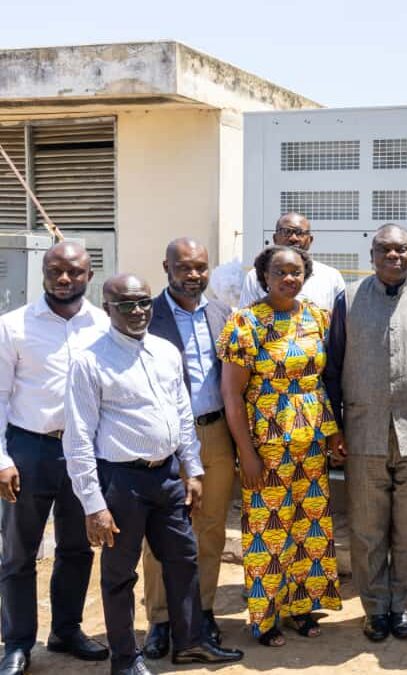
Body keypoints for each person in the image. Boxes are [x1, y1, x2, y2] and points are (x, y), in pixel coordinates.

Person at [63, 274, 244, 675]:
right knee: (119, 575)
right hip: (121, 483)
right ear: (107, 308)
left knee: (184, 559)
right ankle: (126, 660)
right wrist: (93, 504)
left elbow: (181, 413)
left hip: (168, 477)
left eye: (143, 302)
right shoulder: (89, 361)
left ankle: (191, 643)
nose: (138, 311)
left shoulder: (165, 351)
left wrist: (193, 469)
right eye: (126, 304)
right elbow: (78, 439)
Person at [323, 224, 407, 642]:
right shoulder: (347, 299)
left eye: (401, 249)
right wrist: (334, 428)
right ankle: (375, 608)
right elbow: (331, 368)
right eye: (384, 249)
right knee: (367, 529)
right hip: (363, 432)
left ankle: (403, 606)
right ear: (372, 254)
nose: (393, 256)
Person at [219, 245, 343, 646]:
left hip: (311, 442)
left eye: (296, 272)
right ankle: (266, 616)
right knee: (268, 531)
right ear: (264, 277)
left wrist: (334, 431)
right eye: (280, 272)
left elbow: (322, 381)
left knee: (309, 526)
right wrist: (246, 453)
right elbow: (232, 394)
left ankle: (301, 607)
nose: (289, 279)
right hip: (267, 443)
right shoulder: (246, 322)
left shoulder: (317, 317)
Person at [0, 242, 110, 675]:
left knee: (77, 547)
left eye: (74, 271)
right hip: (30, 449)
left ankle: (66, 630)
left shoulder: (103, 325)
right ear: (44, 273)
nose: (64, 279)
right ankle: (17, 643)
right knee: (19, 552)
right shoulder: (13, 326)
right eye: (55, 271)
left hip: (84, 451)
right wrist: (2, 459)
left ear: (89, 275)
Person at [141, 238, 234, 659]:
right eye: (184, 267)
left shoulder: (222, 313)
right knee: (162, 531)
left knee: (210, 528)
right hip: (166, 440)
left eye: (200, 267)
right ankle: (161, 619)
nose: (193, 275)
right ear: (167, 267)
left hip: (216, 434)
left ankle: (203, 611)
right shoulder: (146, 315)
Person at [238, 212, 346, 311]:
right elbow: (243, 320)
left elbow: (342, 321)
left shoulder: (332, 277)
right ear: (275, 239)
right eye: (286, 232)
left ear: (310, 240)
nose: (293, 238)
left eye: (300, 233)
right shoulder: (255, 277)